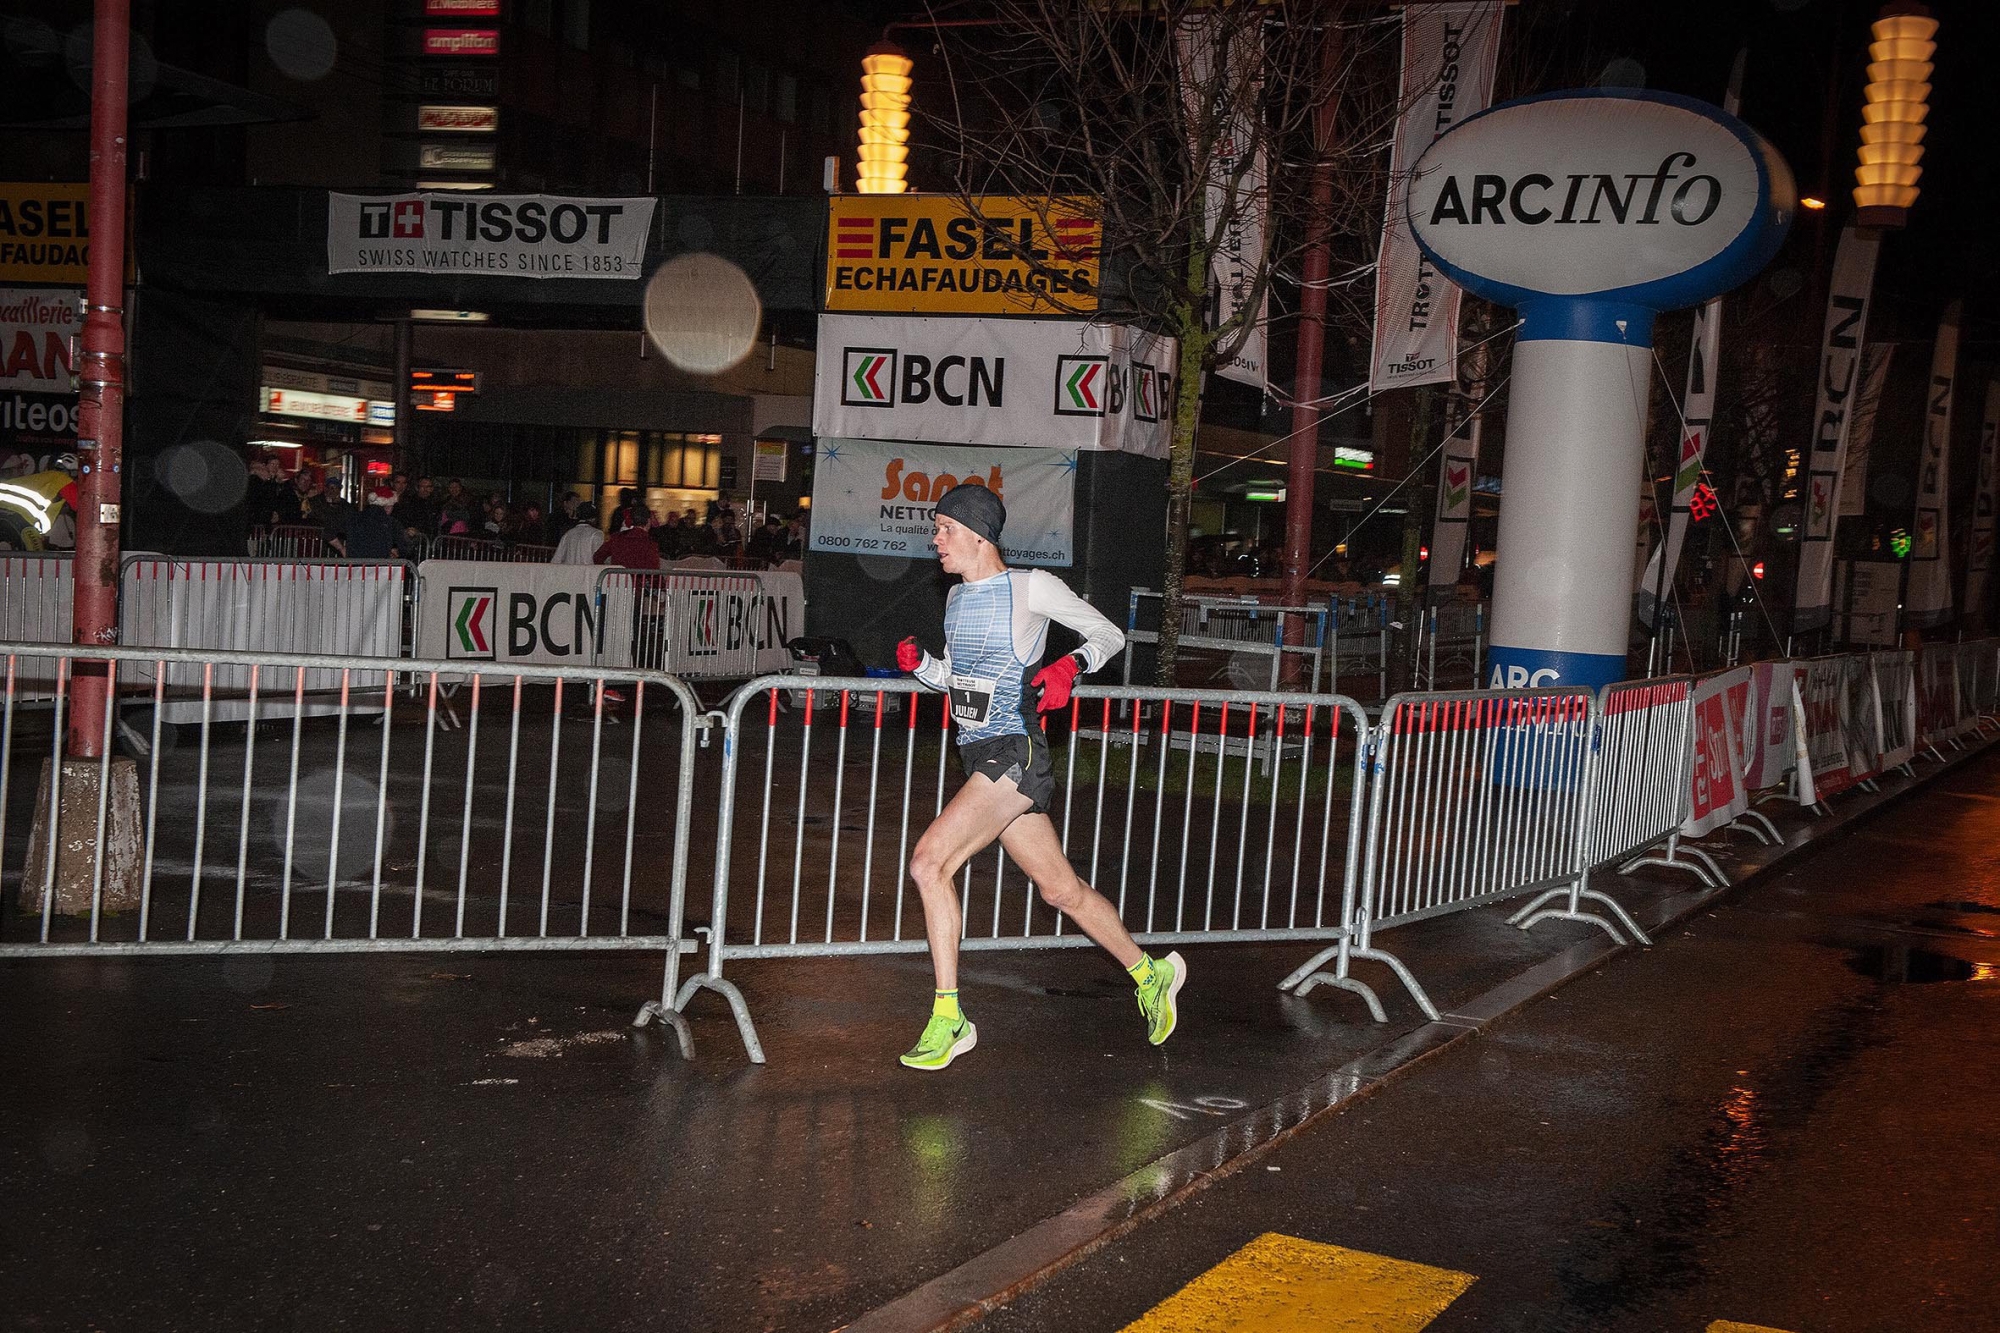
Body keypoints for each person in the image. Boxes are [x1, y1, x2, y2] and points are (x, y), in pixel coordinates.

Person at [892, 483, 1183, 1071]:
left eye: (944, 528)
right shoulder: (954, 601)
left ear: (978, 534)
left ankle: (949, 1016)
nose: (935, 539)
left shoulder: (1030, 586)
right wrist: (926, 667)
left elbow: (1109, 634)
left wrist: (1068, 665)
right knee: (1059, 890)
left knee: (929, 862)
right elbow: (962, 680)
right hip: (978, 754)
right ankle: (1151, 973)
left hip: (1015, 753)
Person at [593, 507, 661, 570]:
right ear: (648, 521)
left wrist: (609, 572)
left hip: (619, 580)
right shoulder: (650, 542)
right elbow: (653, 568)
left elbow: (597, 557)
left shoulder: (617, 537)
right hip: (639, 582)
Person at [344, 486, 400, 558]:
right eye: (390, 506)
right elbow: (403, 546)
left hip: (356, 564)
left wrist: (342, 549)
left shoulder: (355, 517)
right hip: (379, 565)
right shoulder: (390, 522)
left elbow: (330, 529)